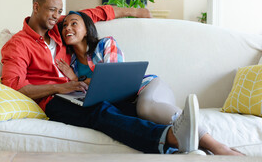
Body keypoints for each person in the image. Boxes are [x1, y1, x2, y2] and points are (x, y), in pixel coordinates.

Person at [1, 0, 200, 154]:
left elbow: (96, 13)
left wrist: (135, 11)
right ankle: (170, 138)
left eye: (59, 11)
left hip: (77, 92)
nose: (56, 16)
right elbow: (14, 86)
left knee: (131, 109)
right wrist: (58, 88)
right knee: (100, 112)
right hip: (53, 100)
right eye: (52, 10)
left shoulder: (58, 29)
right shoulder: (18, 44)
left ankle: (184, 147)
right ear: (36, 7)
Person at [56, 10, 243, 156]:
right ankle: (194, 149)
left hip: (147, 87)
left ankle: (217, 146)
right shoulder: (70, 63)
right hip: (126, 103)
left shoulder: (105, 44)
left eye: (74, 23)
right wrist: (73, 80)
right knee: (133, 118)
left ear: (87, 29)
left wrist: (76, 79)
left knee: (145, 109)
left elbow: (111, 79)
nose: (67, 28)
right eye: (64, 25)